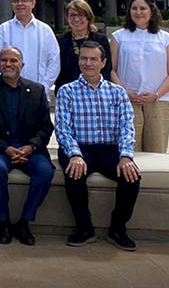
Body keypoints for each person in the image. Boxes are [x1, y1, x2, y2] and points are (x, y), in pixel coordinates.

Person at [56, 41, 142, 250]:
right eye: (83, 58)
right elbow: (62, 128)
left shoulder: (117, 93)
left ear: (103, 62)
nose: (88, 63)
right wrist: (75, 154)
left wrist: (126, 155)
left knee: (132, 178)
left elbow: (126, 127)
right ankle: (84, 228)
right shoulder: (67, 91)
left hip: (108, 148)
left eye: (93, 59)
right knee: (74, 175)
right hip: (78, 147)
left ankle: (118, 228)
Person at [0, 46, 55, 245]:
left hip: (30, 150)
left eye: (13, 61)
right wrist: (5, 148)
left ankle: (25, 221)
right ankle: (3, 221)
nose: (8, 64)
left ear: (22, 65)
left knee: (45, 171)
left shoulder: (37, 91)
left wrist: (31, 147)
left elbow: (46, 126)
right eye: (4, 60)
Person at [109, 0, 169, 153]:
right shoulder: (118, 37)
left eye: (143, 8)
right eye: (134, 8)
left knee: (156, 150)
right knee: (129, 150)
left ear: (152, 11)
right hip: (128, 101)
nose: (138, 12)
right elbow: (112, 70)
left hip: (157, 102)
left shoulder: (166, 39)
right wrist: (124, 92)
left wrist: (156, 94)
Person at [0, 0, 60, 91]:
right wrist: (6, 84)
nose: (20, 4)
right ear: (12, 4)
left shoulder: (45, 31)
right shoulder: (3, 30)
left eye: (24, 0)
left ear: (33, 3)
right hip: (8, 92)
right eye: (16, 1)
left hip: (39, 94)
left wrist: (42, 88)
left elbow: (54, 62)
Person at [56, 0, 111, 88]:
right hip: (68, 92)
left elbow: (107, 68)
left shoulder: (100, 39)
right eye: (72, 15)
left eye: (81, 15)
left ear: (88, 17)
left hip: (97, 90)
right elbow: (57, 70)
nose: (76, 19)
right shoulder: (60, 41)